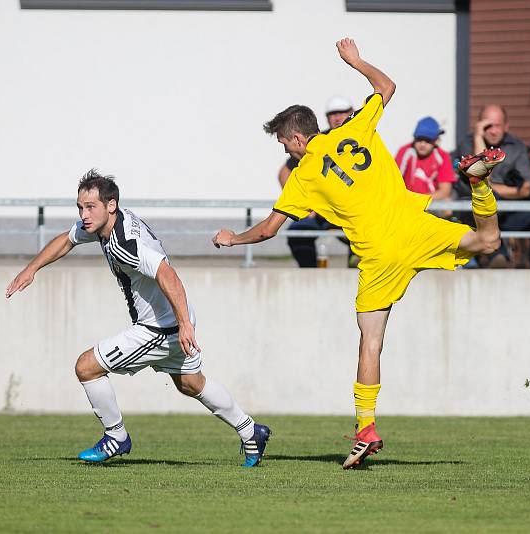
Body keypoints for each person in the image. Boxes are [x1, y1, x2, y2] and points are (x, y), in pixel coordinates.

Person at [212, 38, 502, 469]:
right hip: (413, 224)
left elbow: (271, 229)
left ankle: (366, 427)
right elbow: (387, 86)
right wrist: (356, 61)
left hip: (379, 253)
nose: (286, 151)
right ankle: (478, 184)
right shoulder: (353, 128)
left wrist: (232, 239)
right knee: (487, 242)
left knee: (371, 341)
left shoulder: (302, 176)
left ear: (296, 136)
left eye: (283, 144)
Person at [7, 170, 271, 467]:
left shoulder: (126, 244)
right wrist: (32, 269)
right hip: (172, 321)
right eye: (80, 207)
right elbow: (66, 240)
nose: (83, 214)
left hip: (159, 328)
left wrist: (183, 324)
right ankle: (251, 431)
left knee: (87, 367)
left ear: (111, 205)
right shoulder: (104, 223)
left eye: (90, 207)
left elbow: (167, 274)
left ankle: (116, 436)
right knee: (190, 383)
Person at [455, 104, 530, 268]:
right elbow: (479, 173)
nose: (492, 131)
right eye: (487, 125)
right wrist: (478, 137)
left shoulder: (517, 146)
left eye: (497, 125)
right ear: (479, 125)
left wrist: (493, 187)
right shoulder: (468, 142)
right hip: (478, 210)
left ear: (506, 126)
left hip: (510, 209)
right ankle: (497, 258)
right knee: (486, 201)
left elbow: (526, 188)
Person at [277, 96, 355, 268]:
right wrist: (304, 202)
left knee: (364, 233)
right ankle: (310, 273)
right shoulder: (317, 140)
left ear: (352, 113)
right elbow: (284, 172)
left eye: (342, 112)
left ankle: (356, 269)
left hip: (352, 211)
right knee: (298, 232)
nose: (338, 117)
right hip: (323, 212)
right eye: (332, 113)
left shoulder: (359, 137)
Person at [395, 116, 456, 201]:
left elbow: (445, 191)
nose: (423, 144)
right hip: (407, 201)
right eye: (419, 139)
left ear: (435, 141)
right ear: (414, 138)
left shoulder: (442, 156)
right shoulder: (405, 152)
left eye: (428, 140)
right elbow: (393, 182)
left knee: (447, 204)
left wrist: (420, 200)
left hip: (432, 202)